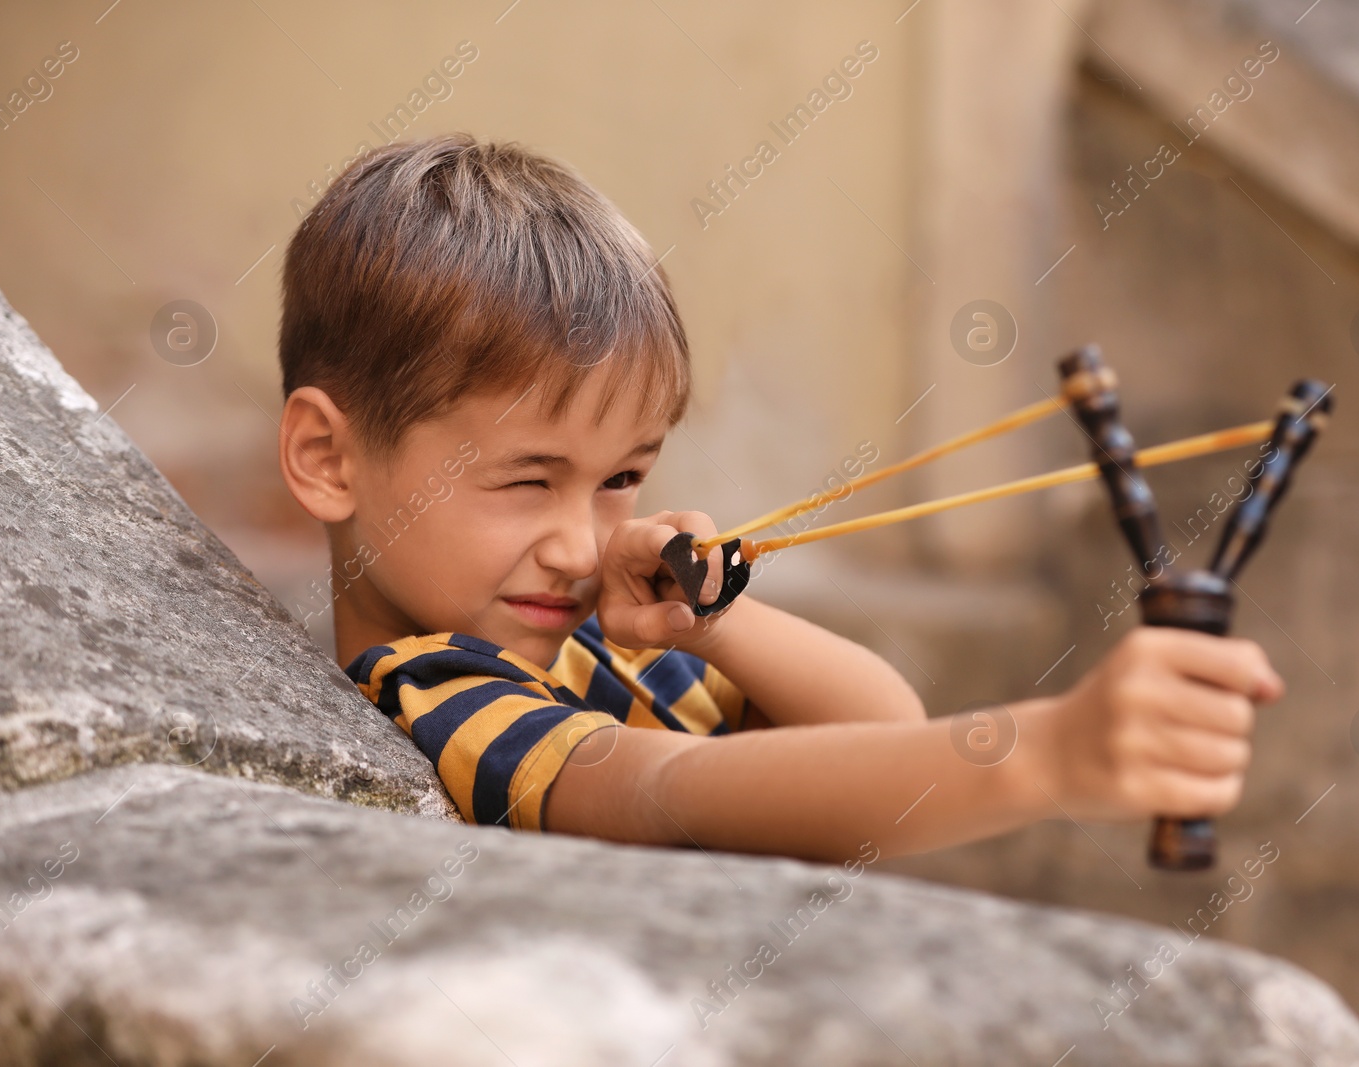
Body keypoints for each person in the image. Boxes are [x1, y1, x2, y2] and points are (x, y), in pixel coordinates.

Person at [276, 133, 1282, 863]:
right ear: (328, 456)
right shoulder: (429, 688)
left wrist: (712, 619)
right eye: (528, 479)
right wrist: (1049, 755)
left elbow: (880, 726)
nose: (581, 546)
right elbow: (668, 792)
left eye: (621, 478)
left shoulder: (590, 650)